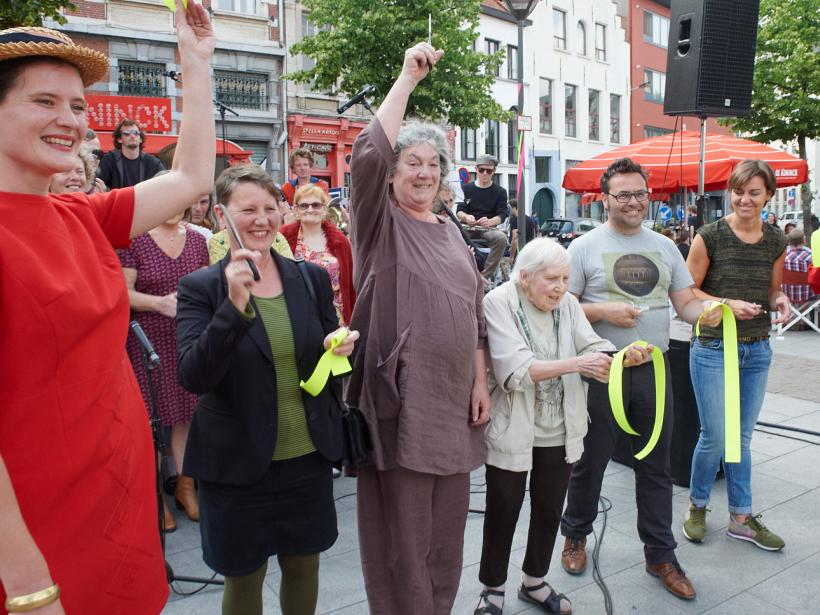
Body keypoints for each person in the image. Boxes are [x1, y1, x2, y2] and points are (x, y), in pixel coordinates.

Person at [0, 6, 215, 614]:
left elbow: (192, 176)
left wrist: (195, 65)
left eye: (76, 106)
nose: (69, 120)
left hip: (118, 514)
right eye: (45, 101)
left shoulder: (80, 215)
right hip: (36, 543)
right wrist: (28, 587)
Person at [346, 42, 491, 614]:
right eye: (413, 162)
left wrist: (481, 383)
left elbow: (474, 313)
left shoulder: (452, 228)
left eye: (433, 164)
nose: (424, 172)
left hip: (455, 402)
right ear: (393, 174)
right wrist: (406, 79)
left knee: (446, 536)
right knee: (402, 536)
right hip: (400, 401)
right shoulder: (377, 221)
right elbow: (365, 154)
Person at [176, 164, 357, 615]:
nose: (261, 219)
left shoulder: (309, 279)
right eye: (247, 209)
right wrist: (234, 306)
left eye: (269, 208)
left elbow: (327, 359)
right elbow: (195, 375)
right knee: (244, 578)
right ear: (221, 216)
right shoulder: (201, 287)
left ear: (282, 211)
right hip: (237, 465)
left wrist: (340, 348)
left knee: (304, 567)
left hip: (306, 458)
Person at [558, 157, 722, 602]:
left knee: (657, 466)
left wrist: (715, 311)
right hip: (601, 369)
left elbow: (686, 303)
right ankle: (575, 534)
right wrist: (603, 311)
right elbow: (562, 309)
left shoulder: (666, 247)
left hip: (654, 368)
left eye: (640, 194)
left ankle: (660, 554)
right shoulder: (583, 247)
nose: (633, 202)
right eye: (623, 194)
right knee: (590, 460)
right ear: (605, 198)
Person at [476, 239, 659, 615]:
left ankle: (535, 582)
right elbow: (516, 369)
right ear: (525, 277)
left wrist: (624, 356)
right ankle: (492, 589)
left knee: (548, 507)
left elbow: (593, 344)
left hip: (560, 426)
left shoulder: (568, 304)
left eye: (565, 278)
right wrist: (579, 363)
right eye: (552, 279)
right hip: (514, 424)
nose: (561, 287)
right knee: (502, 507)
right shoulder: (499, 302)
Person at [683, 160, 790, 551]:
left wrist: (781, 302)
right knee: (714, 437)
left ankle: (741, 518)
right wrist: (727, 302)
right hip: (713, 345)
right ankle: (697, 506)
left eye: (754, 192)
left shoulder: (776, 239)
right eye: (739, 191)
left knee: (740, 438)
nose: (745, 199)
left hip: (757, 348)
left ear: (768, 196)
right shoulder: (709, 236)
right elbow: (687, 291)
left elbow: (773, 290)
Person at [118, 181, 209, 529]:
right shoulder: (134, 239)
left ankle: (186, 488)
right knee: (151, 422)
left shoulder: (199, 240)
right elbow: (122, 293)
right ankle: (156, 497)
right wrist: (161, 303)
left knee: (187, 415)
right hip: (148, 339)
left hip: (187, 338)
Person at [280, 184, 356, 325]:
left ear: (324, 209)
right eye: (304, 206)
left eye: (316, 205)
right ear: (296, 210)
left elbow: (350, 286)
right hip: (297, 316)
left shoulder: (341, 241)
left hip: (335, 318)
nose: (310, 209)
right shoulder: (283, 238)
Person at [457, 154, 509, 282]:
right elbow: (459, 211)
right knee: (452, 234)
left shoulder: (500, 192)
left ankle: (484, 277)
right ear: (476, 169)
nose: (485, 173)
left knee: (501, 238)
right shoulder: (466, 188)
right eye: (481, 170)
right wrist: (467, 217)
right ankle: (460, 271)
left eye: (489, 171)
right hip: (468, 226)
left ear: (494, 171)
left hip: (488, 229)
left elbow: (502, 215)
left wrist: (491, 221)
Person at [97, 118, 165, 188]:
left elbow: (165, 183)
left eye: (136, 133)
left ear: (140, 139)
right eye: (127, 133)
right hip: (118, 198)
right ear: (119, 139)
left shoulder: (152, 162)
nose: (132, 136)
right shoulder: (110, 160)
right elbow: (96, 183)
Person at [781, 227, 815, 305]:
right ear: (804, 240)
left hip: (786, 295)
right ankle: (805, 316)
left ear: (789, 241)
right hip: (809, 295)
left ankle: (794, 316)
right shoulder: (812, 256)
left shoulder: (782, 256)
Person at [508, 198, 536, 262]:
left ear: (514, 208)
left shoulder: (514, 220)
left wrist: (511, 257)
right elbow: (534, 236)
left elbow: (515, 240)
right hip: (529, 251)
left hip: (519, 253)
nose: (509, 211)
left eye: (509, 209)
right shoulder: (530, 219)